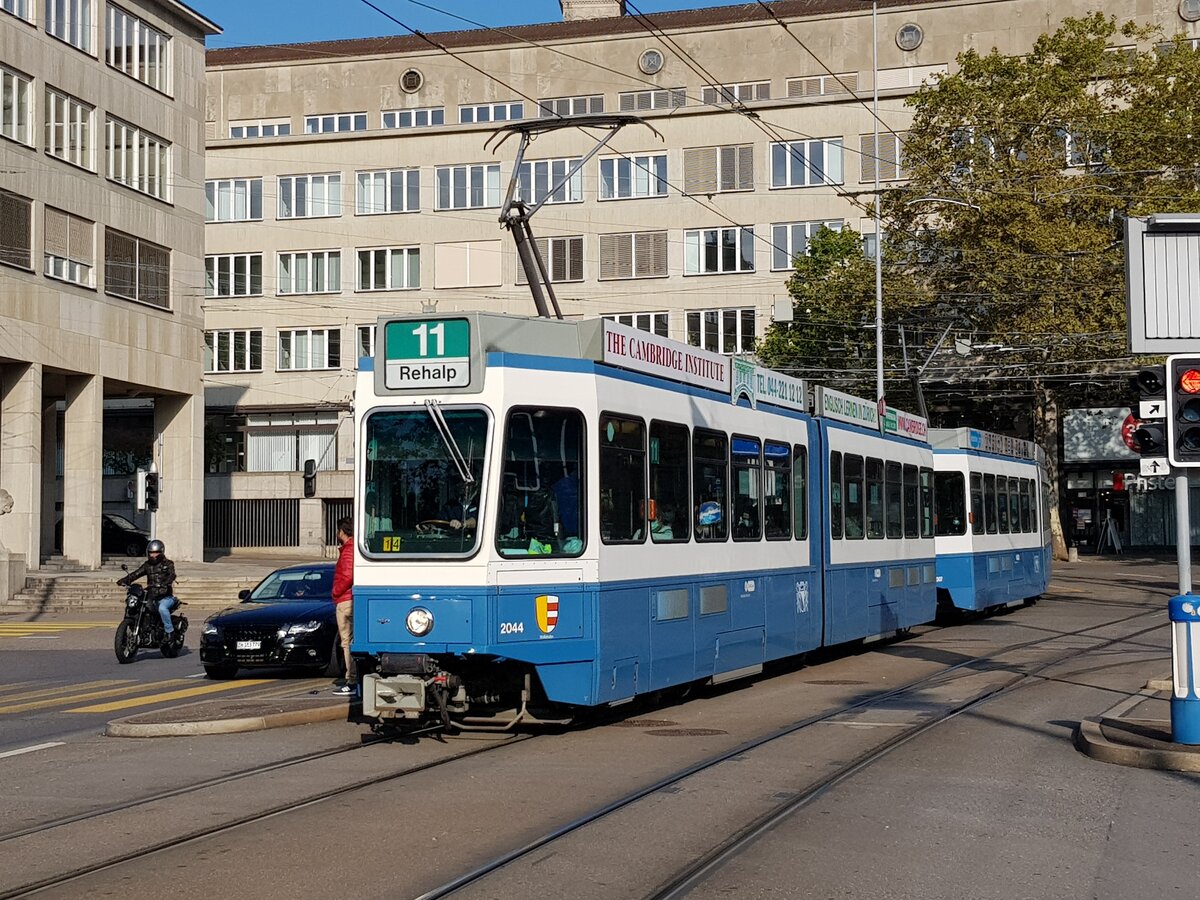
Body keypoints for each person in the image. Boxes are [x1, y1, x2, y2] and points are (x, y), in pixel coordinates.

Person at [117, 539, 179, 647]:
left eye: (156, 552)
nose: (153, 555)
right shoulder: (147, 565)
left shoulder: (168, 564)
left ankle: (170, 633)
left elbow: (172, 575)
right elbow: (136, 574)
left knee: (162, 608)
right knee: (136, 605)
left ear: (161, 552)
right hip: (151, 595)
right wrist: (125, 580)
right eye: (151, 552)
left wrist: (166, 583)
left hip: (165, 596)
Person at [331, 517, 356, 696]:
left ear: (342, 532)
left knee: (346, 642)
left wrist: (335, 592)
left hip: (345, 600)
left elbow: (347, 575)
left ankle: (351, 678)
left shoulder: (348, 551)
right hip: (350, 599)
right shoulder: (354, 548)